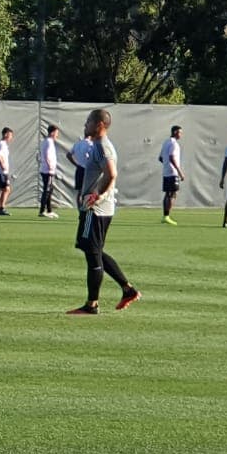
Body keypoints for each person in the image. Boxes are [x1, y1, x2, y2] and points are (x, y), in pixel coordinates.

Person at [68, 108, 140, 315]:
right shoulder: (100, 146)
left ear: (99, 125)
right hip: (97, 208)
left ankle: (92, 304)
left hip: (96, 209)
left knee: (92, 252)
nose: (85, 125)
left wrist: (97, 195)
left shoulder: (101, 147)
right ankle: (128, 289)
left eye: (88, 122)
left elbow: (111, 173)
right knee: (93, 249)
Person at [159, 125, 185, 225]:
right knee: (172, 194)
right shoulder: (174, 144)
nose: (181, 135)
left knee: (168, 193)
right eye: (180, 132)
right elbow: (171, 157)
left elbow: (161, 158)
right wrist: (179, 171)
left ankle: (165, 216)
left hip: (166, 172)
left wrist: (166, 165)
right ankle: (167, 216)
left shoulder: (166, 142)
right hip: (172, 172)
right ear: (175, 132)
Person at [38, 124, 60, 218]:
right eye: (56, 133)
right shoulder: (48, 142)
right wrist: (50, 166)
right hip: (48, 170)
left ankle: (49, 210)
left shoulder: (46, 141)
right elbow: (47, 155)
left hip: (46, 169)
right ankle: (42, 211)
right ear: (52, 133)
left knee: (49, 190)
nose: (57, 135)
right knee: (47, 190)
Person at [66, 132, 93, 201]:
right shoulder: (90, 144)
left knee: (80, 192)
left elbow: (68, 155)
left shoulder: (77, 144)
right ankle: (86, 208)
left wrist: (76, 164)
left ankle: (80, 208)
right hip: (87, 170)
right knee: (88, 191)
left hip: (79, 168)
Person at [0, 127, 13, 215]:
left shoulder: (4, 144)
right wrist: (3, 168)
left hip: (2, 171)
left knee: (1, 190)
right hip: (2, 172)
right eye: (10, 135)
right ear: (5, 134)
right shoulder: (1, 144)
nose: (11, 137)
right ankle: (1, 208)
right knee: (7, 189)